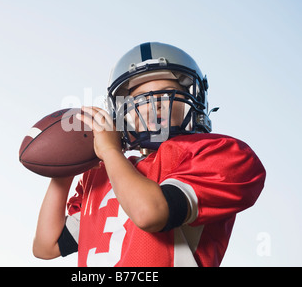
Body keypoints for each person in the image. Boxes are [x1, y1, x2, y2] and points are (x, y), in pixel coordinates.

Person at [33, 42, 266, 267]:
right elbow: (46, 246)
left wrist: (110, 151)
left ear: (194, 99)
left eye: (166, 93)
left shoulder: (221, 152)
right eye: (140, 98)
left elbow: (149, 214)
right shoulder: (104, 171)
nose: (154, 105)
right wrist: (62, 173)